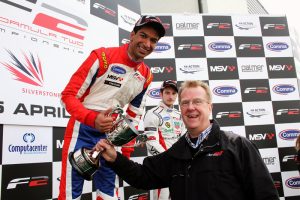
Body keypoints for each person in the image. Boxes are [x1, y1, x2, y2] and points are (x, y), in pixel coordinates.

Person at [94, 80, 279, 200]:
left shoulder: (238, 146)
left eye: (197, 101)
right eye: (185, 103)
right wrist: (114, 158)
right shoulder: (177, 152)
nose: (191, 108)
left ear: (210, 107)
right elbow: (144, 176)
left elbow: (265, 195)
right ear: (180, 108)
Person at [58, 15, 165, 200]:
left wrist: (126, 151)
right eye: (143, 35)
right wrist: (92, 119)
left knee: (108, 194)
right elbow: (67, 96)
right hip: (82, 130)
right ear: (132, 35)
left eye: (153, 40)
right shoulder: (102, 56)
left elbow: (134, 115)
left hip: (113, 136)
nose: (147, 43)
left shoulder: (146, 75)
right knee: (69, 194)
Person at [143, 80, 185, 200]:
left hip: (179, 165)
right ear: (161, 94)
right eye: (167, 92)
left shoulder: (180, 115)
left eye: (173, 93)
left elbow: (183, 140)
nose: (170, 96)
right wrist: (168, 160)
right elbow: (151, 143)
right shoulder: (152, 114)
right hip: (162, 166)